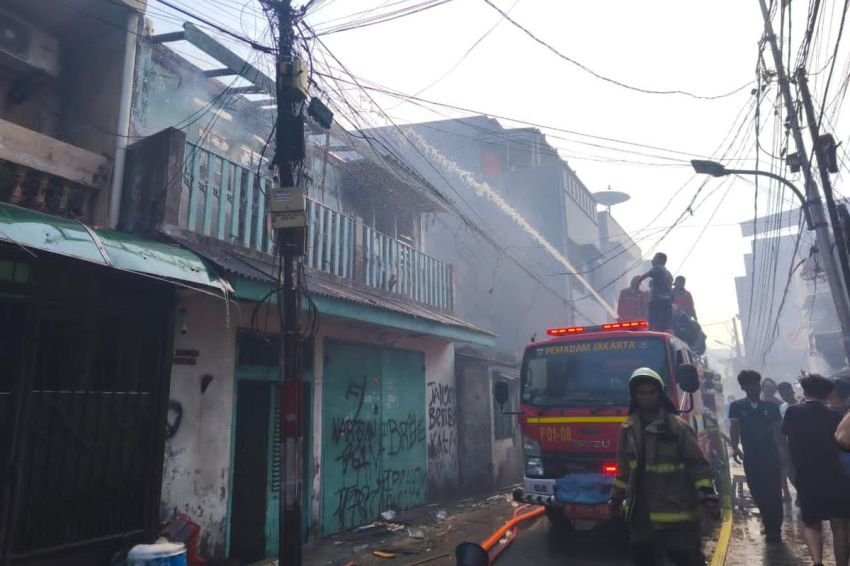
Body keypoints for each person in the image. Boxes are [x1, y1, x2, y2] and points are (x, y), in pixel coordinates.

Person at [609, 368, 719, 566]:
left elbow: (698, 465)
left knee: (687, 560)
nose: (646, 397)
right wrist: (615, 499)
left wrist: (708, 496)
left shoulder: (677, 427)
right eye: (641, 393)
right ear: (634, 396)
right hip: (641, 517)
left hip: (678, 514)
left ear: (659, 394)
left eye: (651, 392)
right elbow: (623, 471)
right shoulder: (628, 429)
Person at [783, 374, 850, 566]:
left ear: (805, 391)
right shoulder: (836, 416)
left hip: (806, 475)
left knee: (812, 523)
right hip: (836, 476)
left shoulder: (791, 413)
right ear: (829, 394)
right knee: (840, 525)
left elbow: (786, 439)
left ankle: (818, 561)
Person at [728, 370, 784, 542]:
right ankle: (768, 521)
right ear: (743, 387)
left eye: (756, 384)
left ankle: (775, 527)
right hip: (751, 456)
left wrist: (783, 452)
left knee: (774, 491)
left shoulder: (771, 407)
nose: (755, 388)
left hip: (771, 454)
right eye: (751, 384)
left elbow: (778, 432)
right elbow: (734, 428)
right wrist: (735, 447)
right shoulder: (737, 407)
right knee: (756, 490)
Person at [639, 253, 674, 332]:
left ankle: (652, 332)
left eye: (654, 258)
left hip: (657, 301)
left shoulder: (658, 268)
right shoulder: (668, 273)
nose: (652, 260)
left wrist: (637, 282)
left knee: (653, 323)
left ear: (660, 260)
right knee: (665, 325)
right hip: (667, 302)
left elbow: (645, 275)